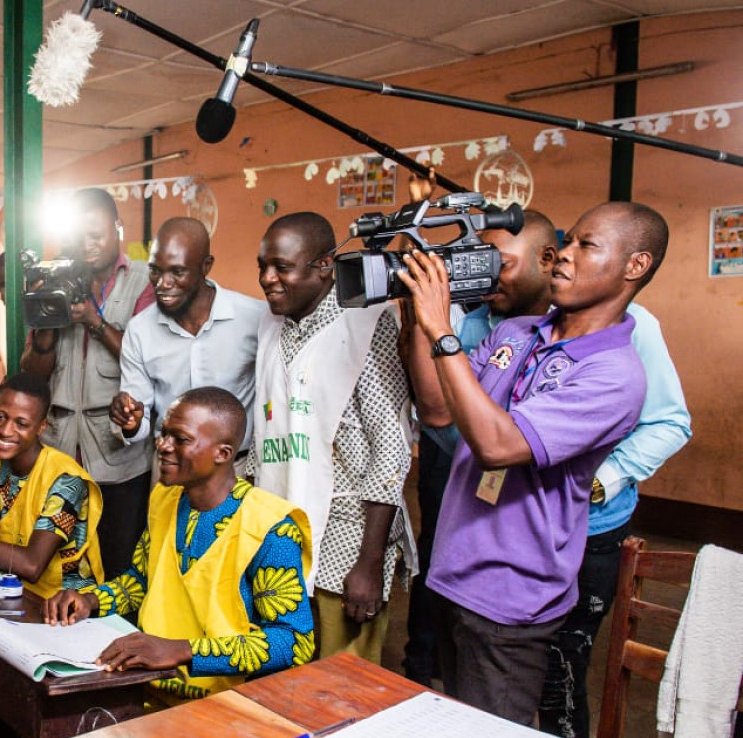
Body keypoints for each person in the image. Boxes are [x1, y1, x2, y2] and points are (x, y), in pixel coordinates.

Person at [398, 200, 660, 726]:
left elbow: (498, 445)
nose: (563, 256)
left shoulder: (615, 375)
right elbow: (436, 407)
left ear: (635, 266)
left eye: (586, 246)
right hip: (452, 576)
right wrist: (417, 310)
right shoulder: (516, 333)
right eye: (567, 242)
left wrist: (443, 333)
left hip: (510, 598)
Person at [45, 387, 313, 701]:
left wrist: (182, 650)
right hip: (151, 686)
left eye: (180, 439)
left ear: (223, 453)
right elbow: (143, 581)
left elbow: (293, 641)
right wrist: (92, 601)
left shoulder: (271, 527)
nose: (163, 446)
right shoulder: (165, 500)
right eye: (163, 434)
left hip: (229, 704)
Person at [401, 209, 558, 686]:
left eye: (500, 264)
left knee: (542, 678)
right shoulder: (484, 326)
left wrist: (596, 485)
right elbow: (438, 414)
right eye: (478, 263)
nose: (486, 278)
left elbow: (666, 422)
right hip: (465, 508)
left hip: (543, 526)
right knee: (459, 654)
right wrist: (419, 319)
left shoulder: (606, 332)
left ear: (548, 259)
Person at [251, 212, 414, 664]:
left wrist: (371, 561)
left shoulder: (366, 323)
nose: (267, 279)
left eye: (282, 267)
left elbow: (391, 446)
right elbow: (265, 431)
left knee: (343, 683)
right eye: (263, 265)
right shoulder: (272, 326)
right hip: (282, 529)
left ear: (324, 266)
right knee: (285, 670)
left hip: (348, 537)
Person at [21, 188, 156, 577]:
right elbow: (34, 377)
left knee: (117, 565)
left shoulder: (144, 281)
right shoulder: (56, 278)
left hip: (119, 457)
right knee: (59, 567)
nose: (88, 244)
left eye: (96, 235)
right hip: (61, 451)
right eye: (80, 236)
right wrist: (45, 332)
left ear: (118, 228)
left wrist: (93, 321)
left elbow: (147, 360)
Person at [111, 217, 267, 460]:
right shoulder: (140, 329)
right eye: (155, 270)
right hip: (170, 465)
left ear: (206, 266)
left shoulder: (254, 319)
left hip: (238, 468)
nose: (162, 284)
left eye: (177, 271)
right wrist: (131, 421)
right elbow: (137, 420)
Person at [0, 372, 104, 598]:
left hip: (60, 606)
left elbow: (31, 565)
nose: (5, 430)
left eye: (21, 423)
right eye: (0, 416)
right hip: (0, 591)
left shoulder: (66, 480)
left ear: (41, 427)